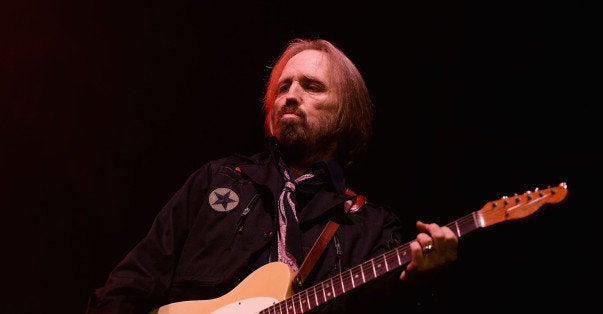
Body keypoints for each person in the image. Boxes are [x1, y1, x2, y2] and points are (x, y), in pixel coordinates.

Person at [86, 38, 459, 314]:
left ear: (347, 112)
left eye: (311, 87)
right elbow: (130, 283)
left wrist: (423, 279)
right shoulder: (218, 180)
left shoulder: (372, 228)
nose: (291, 95)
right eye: (284, 86)